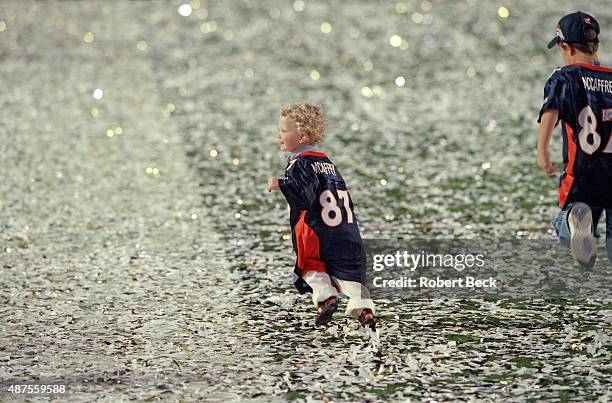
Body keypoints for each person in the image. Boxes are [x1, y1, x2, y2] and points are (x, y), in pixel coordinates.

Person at [267, 103, 376, 329]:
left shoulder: (300, 163)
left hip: (317, 230)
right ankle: (365, 311)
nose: (279, 135)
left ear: (303, 136)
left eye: (285, 131)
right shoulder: (327, 163)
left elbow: (304, 196)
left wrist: (280, 184)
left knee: (311, 266)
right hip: (345, 229)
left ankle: (326, 298)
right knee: (349, 275)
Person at [536, 11, 612, 268]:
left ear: (565, 47)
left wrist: (542, 149)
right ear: (595, 46)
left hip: (585, 173)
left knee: (573, 217)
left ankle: (574, 226)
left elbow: (551, 110)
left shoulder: (565, 77)